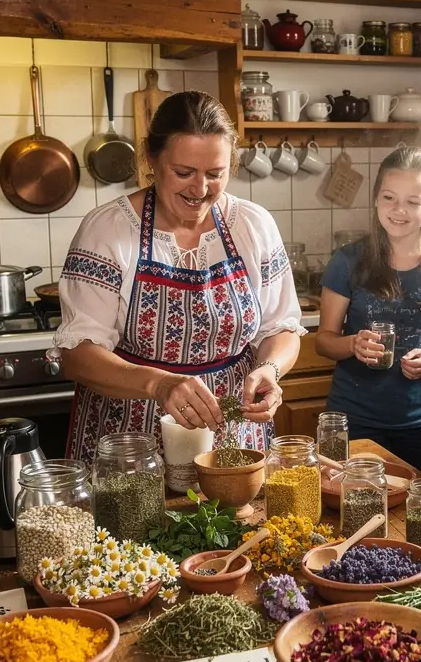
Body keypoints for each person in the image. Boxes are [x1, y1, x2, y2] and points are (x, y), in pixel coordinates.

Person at [54, 92, 303, 463]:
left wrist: (269, 369)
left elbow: (281, 326)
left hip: (232, 434)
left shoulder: (253, 225)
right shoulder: (108, 230)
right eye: (183, 173)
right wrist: (160, 384)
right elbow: (76, 355)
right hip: (131, 441)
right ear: (151, 159)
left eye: (215, 174)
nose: (200, 190)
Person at [315, 147, 421, 478]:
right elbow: (324, 341)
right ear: (375, 200)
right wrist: (353, 344)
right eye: (389, 198)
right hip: (355, 417)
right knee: (352, 507)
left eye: (413, 202)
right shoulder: (347, 261)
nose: (398, 210)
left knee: (420, 509)